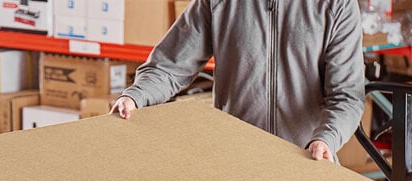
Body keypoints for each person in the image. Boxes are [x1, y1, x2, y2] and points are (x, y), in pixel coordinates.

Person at [113, 0, 366, 163]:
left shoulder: (337, 4)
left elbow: (346, 96)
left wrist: (326, 139)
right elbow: (169, 65)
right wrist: (136, 95)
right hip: (233, 159)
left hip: (306, 159)